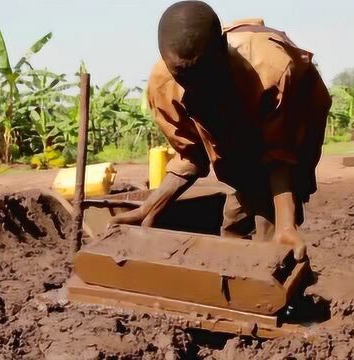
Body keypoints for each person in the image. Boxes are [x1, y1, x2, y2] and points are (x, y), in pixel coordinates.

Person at [112, 1, 331, 261]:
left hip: (298, 119)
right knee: (233, 220)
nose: (195, 87)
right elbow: (191, 155)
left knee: (270, 233)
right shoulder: (163, 85)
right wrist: (150, 207)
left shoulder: (271, 72)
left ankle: (288, 291)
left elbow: (280, 154)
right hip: (241, 146)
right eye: (183, 77)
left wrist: (285, 225)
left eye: (203, 74)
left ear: (221, 48)